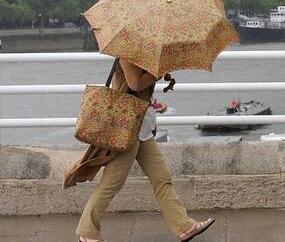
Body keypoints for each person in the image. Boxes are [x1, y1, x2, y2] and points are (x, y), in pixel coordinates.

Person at [69, 58, 214, 242]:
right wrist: (158, 71)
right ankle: (87, 232)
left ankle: (184, 227)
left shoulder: (143, 55)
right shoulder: (127, 54)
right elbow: (135, 83)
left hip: (141, 129)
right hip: (126, 130)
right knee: (112, 183)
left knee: (162, 178)